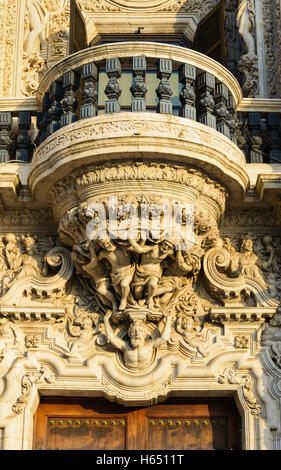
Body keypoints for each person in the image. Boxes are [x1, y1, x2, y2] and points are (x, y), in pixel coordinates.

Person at [103, 310, 171, 369]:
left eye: (140, 331)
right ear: (129, 334)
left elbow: (164, 338)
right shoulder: (125, 346)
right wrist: (106, 320)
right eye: (134, 331)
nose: (137, 333)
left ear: (144, 334)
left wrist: (168, 319)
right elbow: (111, 337)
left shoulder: (150, 345)